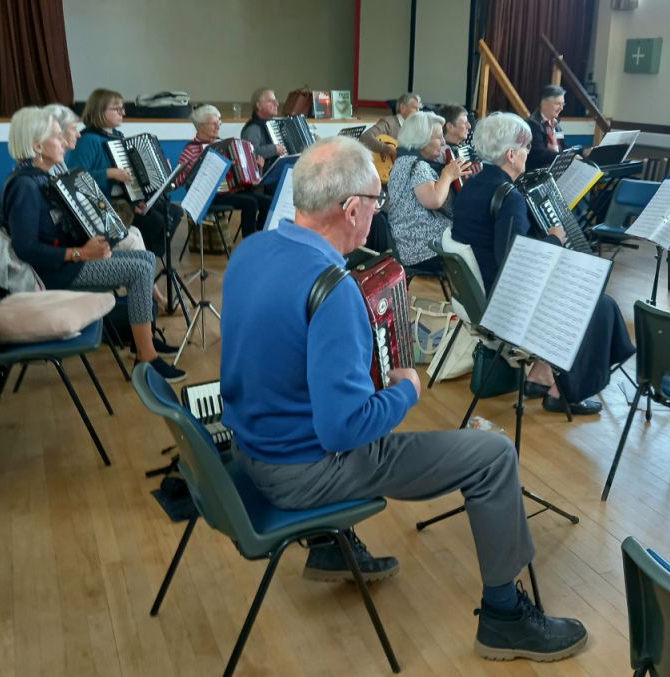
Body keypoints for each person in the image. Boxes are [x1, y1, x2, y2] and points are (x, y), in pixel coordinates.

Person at [220, 135, 588, 663]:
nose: (379, 212)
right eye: (377, 202)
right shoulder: (332, 290)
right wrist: (405, 389)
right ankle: (505, 617)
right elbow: (344, 431)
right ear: (351, 210)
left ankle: (329, 544)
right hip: (301, 472)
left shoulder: (251, 250)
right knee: (491, 456)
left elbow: (275, 362)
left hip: (248, 451)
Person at [452, 113, 635, 414]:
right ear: (510, 155)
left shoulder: (473, 184)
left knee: (593, 298)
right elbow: (514, 262)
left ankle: (541, 372)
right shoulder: (509, 196)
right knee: (599, 304)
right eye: (525, 149)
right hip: (505, 303)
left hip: (479, 291)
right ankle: (564, 393)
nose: (528, 154)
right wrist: (553, 240)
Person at [0, 107, 185, 382]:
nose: (64, 141)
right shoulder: (24, 186)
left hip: (65, 262)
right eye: (56, 136)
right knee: (139, 271)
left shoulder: (43, 178)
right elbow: (27, 249)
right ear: (37, 146)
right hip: (50, 274)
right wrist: (81, 252)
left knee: (145, 260)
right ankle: (146, 357)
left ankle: (142, 346)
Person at [44, 103, 170, 309]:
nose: (77, 134)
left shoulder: (58, 165)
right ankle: (146, 307)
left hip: (81, 238)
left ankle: (146, 306)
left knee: (137, 233)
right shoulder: (37, 179)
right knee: (137, 249)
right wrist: (82, 250)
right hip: (71, 258)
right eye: (72, 129)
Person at [68, 88, 184, 258]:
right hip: (104, 205)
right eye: (117, 109)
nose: (123, 112)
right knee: (155, 222)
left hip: (125, 200)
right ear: (99, 110)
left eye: (122, 108)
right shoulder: (88, 140)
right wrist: (108, 174)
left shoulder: (118, 136)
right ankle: (137, 262)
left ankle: (147, 260)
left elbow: (129, 177)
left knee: (173, 212)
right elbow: (74, 178)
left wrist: (139, 198)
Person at [387, 111, 470, 271]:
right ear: (422, 139)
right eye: (438, 137)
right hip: (425, 250)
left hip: (413, 246)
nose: (443, 141)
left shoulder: (402, 162)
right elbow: (434, 200)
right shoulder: (417, 166)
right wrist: (447, 174)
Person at [177, 105, 270, 239]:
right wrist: (197, 168)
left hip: (230, 189)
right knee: (250, 203)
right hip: (209, 195)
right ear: (200, 126)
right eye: (213, 124)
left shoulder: (223, 144)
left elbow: (239, 172)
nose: (218, 126)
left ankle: (261, 238)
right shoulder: (191, 150)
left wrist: (257, 168)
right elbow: (180, 180)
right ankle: (249, 243)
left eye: (219, 123)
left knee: (267, 201)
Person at [359, 92, 421, 160]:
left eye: (419, 108)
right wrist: (387, 148)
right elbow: (364, 138)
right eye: (415, 108)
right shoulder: (389, 123)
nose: (418, 112)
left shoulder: (415, 127)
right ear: (403, 108)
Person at [240, 88, 287, 164]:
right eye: (271, 101)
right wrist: (275, 149)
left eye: (276, 101)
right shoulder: (252, 128)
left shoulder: (274, 125)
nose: (277, 104)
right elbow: (250, 152)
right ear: (259, 105)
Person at [527, 85, 566, 170]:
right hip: (539, 172)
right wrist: (564, 158)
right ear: (544, 103)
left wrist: (581, 151)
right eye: (558, 104)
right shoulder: (533, 124)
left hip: (556, 168)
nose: (561, 108)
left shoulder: (557, 125)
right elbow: (540, 154)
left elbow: (562, 147)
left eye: (563, 104)